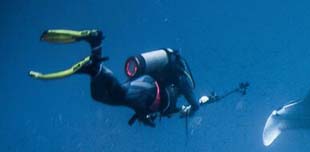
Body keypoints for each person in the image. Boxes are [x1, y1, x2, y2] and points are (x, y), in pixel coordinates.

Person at [29, 29, 207, 127]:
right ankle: (96, 46)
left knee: (100, 96)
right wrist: (194, 108)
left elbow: (151, 106)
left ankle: (93, 67)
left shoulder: (172, 84)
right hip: (149, 88)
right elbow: (195, 105)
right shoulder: (181, 78)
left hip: (146, 94)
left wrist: (143, 116)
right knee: (119, 94)